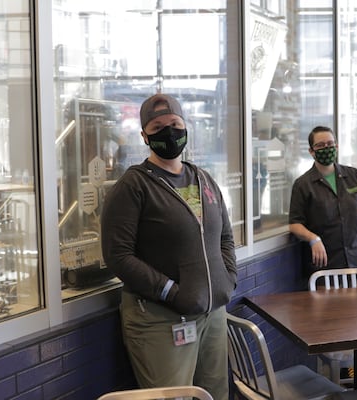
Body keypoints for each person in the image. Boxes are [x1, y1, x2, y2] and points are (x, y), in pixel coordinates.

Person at [100, 93, 237, 400]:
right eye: (158, 126)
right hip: (161, 320)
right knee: (174, 397)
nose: (168, 132)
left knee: (214, 394)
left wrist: (227, 278)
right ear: (144, 136)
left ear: (185, 126)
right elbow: (118, 256)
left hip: (212, 313)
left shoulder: (203, 179)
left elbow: (225, 237)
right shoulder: (133, 186)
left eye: (174, 123)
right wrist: (172, 292)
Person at [289, 126, 357, 277]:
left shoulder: (352, 175)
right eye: (320, 145)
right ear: (311, 151)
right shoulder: (303, 184)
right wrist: (313, 239)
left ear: (336, 147)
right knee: (328, 301)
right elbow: (294, 224)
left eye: (330, 144)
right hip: (325, 262)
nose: (327, 148)